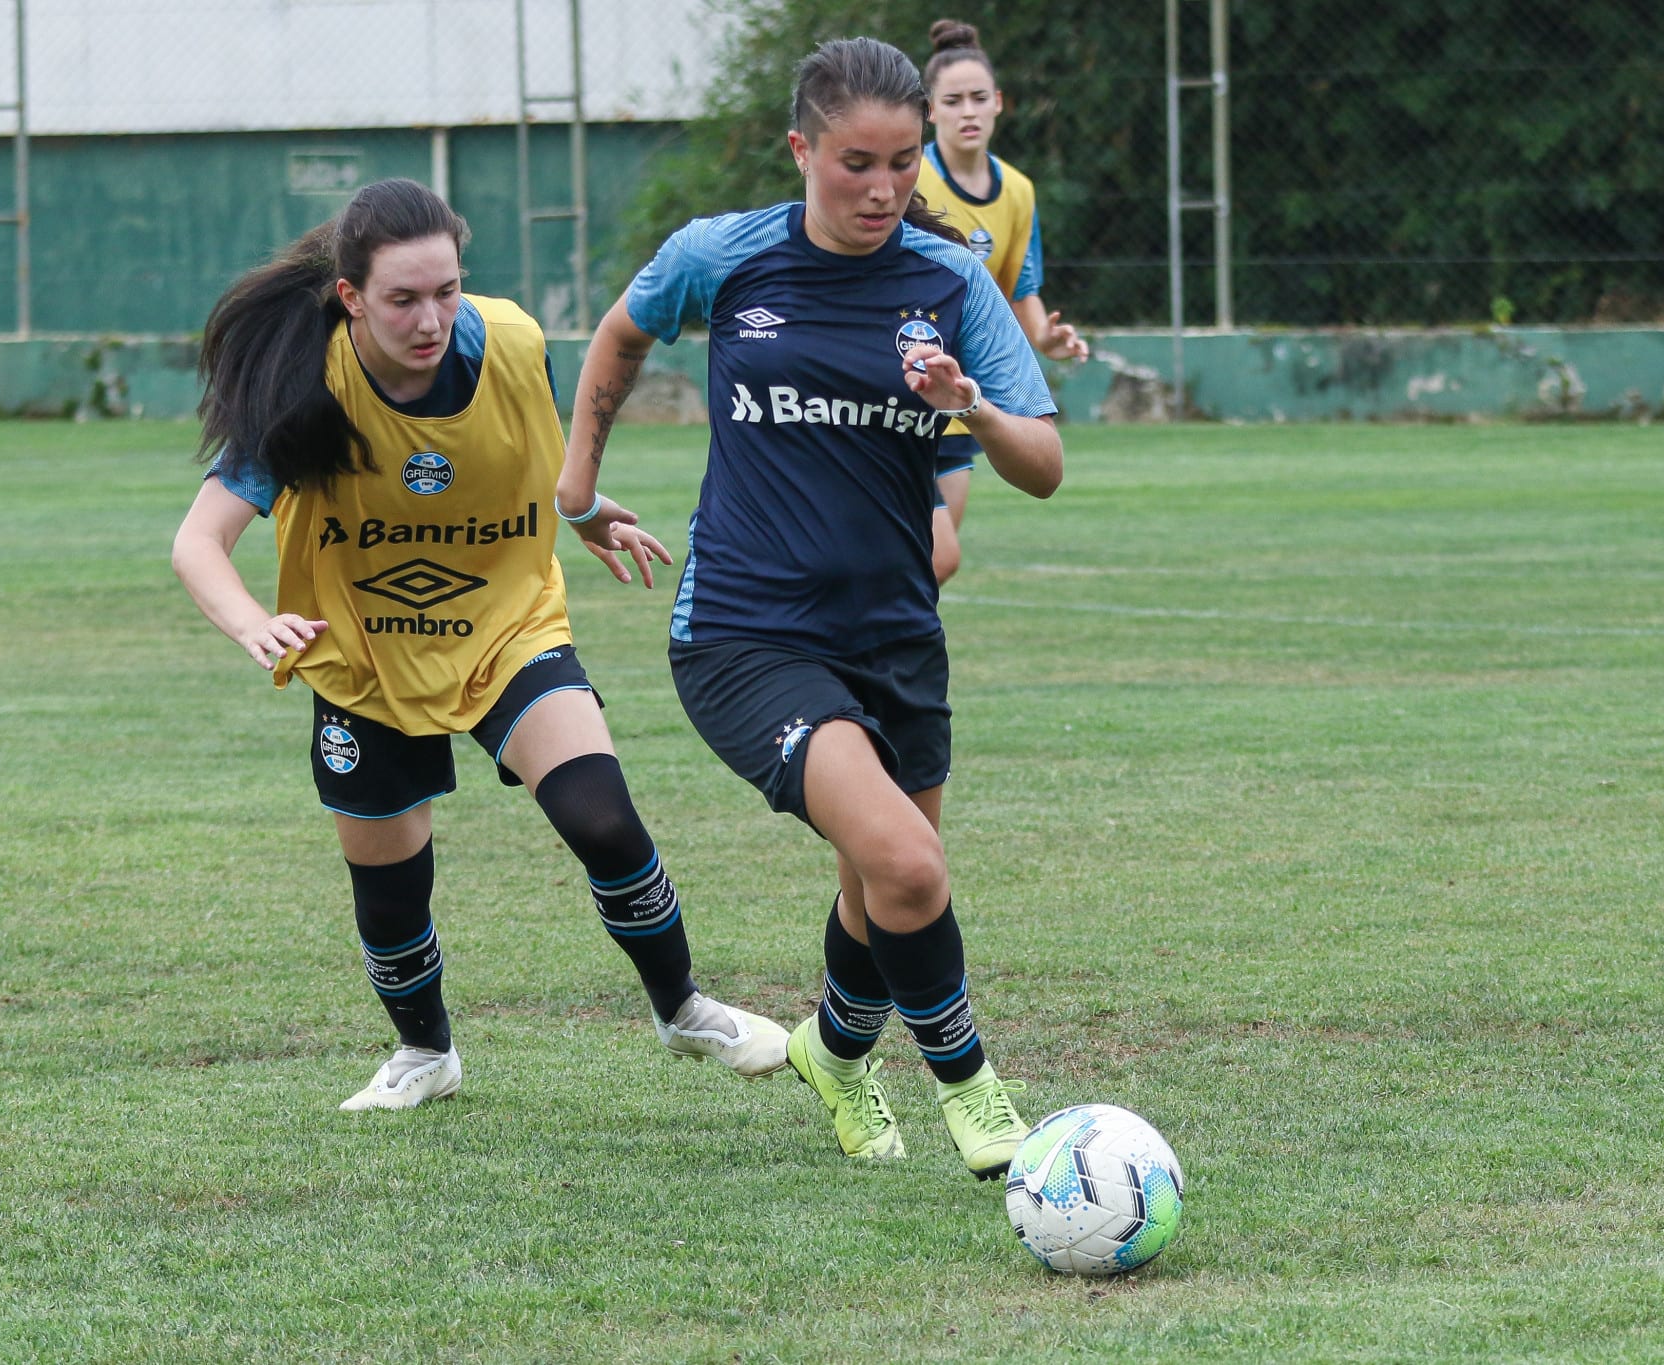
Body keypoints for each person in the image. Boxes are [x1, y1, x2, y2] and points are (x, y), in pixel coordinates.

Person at [555, 39, 1064, 1178]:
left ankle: (833, 1055)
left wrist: (969, 406)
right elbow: (622, 335)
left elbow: (1041, 466)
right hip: (743, 635)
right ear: (800, 152)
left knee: (876, 882)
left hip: (890, 636)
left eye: (899, 165)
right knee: (910, 866)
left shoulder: (947, 284)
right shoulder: (722, 258)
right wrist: (575, 485)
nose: (882, 190)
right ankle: (970, 1085)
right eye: (853, 164)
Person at [172, 177, 788, 1113]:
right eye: (403, 299)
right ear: (350, 298)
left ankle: (683, 1009)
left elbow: (522, 458)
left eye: (447, 290)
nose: (431, 318)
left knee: (603, 816)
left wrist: (577, 512)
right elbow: (197, 542)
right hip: (362, 656)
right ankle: (426, 1053)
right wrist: (255, 622)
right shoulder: (304, 386)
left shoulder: (512, 342)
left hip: (506, 625)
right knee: (389, 882)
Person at [915, 18, 1090, 585]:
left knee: (928, 565)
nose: (968, 111)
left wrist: (1046, 338)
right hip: (897, 387)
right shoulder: (907, 176)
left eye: (979, 98)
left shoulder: (1018, 191)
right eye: (953, 100)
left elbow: (1019, 291)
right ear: (929, 111)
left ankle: (855, 660)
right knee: (934, 557)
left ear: (999, 105)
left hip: (964, 400)